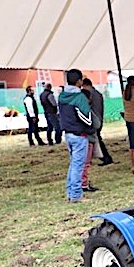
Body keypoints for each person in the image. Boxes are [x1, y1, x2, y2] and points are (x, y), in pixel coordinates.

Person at [58, 69, 94, 203]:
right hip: (79, 135)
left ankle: (70, 192)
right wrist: (90, 127)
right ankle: (76, 195)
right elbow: (86, 118)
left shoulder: (62, 96)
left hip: (68, 134)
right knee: (78, 166)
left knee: (73, 165)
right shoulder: (79, 97)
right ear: (79, 81)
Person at [82, 78, 113, 166]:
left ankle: (105, 158)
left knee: (96, 140)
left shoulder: (89, 94)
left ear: (85, 85)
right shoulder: (98, 93)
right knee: (97, 139)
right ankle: (104, 157)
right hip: (99, 118)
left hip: (93, 120)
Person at [80, 88, 101, 192]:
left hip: (81, 137)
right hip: (88, 138)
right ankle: (84, 183)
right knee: (85, 162)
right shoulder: (86, 109)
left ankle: (82, 182)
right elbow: (96, 123)